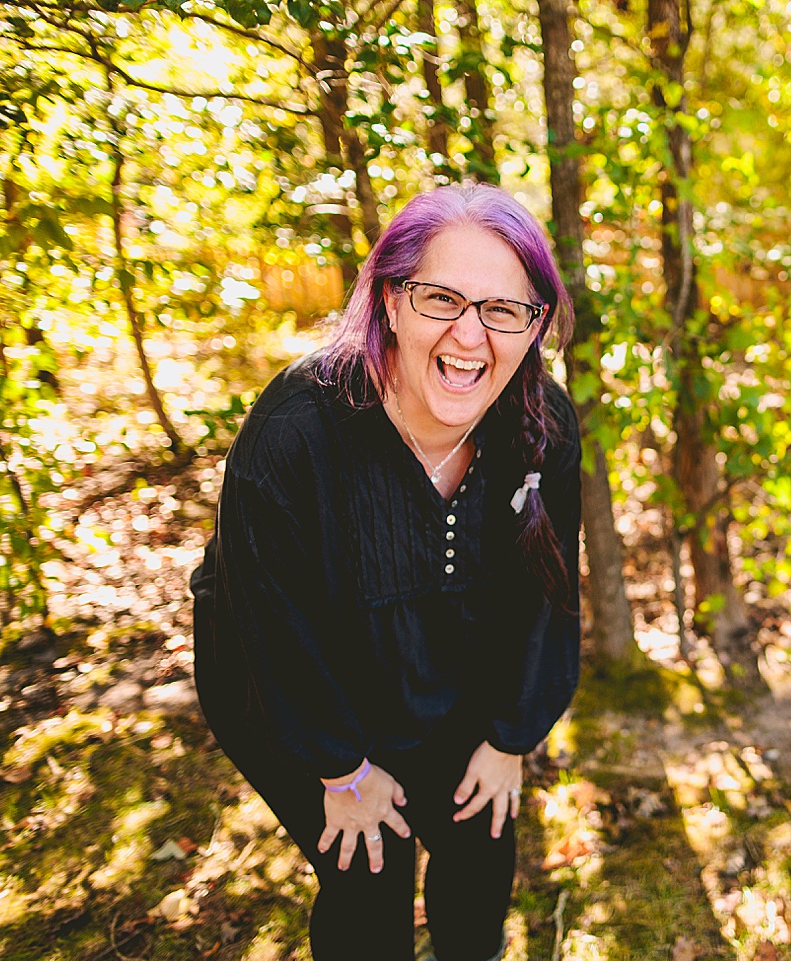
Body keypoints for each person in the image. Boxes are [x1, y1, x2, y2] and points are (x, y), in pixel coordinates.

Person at [190, 182, 581, 961]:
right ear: (390, 301)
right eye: (441, 298)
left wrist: (510, 736)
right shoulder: (293, 435)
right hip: (297, 683)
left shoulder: (542, 421)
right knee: (369, 873)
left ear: (534, 326)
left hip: (456, 659)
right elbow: (271, 627)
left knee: (479, 850)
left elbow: (546, 596)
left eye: (504, 310)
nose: (470, 336)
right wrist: (341, 769)